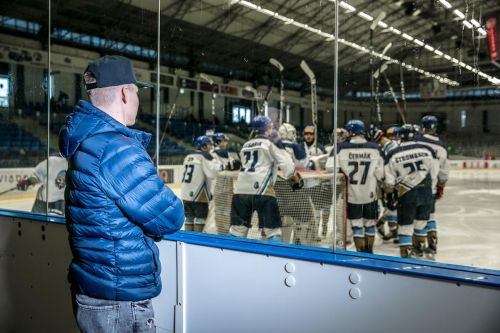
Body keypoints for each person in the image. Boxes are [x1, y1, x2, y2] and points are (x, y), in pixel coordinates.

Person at [59, 55, 184, 332]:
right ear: (126, 93)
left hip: (98, 288)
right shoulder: (116, 149)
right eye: (137, 91)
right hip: (118, 298)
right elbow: (171, 217)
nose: (138, 99)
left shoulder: (89, 140)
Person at [229, 116, 302, 242]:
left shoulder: (246, 145)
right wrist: (295, 180)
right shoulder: (271, 143)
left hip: (240, 191)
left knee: (236, 233)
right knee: (273, 232)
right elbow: (288, 166)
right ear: (268, 129)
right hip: (263, 192)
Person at [326, 120, 385, 253]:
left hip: (352, 194)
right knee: (370, 225)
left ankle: (360, 252)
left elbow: (330, 168)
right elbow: (381, 174)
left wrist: (343, 170)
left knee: (357, 226)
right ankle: (369, 252)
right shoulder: (375, 148)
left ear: (351, 132)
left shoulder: (340, 147)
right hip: (370, 193)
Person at [384, 124, 438, 258]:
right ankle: (419, 251)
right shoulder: (427, 149)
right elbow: (434, 173)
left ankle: (406, 257)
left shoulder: (393, 154)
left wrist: (390, 197)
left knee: (405, 227)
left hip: (407, 194)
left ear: (399, 136)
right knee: (421, 224)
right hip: (426, 191)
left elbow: (389, 181)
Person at [416, 115, 449, 258]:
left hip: (415, 185)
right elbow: (444, 172)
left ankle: (418, 246)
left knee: (418, 218)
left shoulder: (416, 141)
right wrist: (440, 187)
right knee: (430, 216)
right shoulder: (442, 147)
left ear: (423, 126)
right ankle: (432, 244)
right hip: (432, 187)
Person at [181, 135, 223, 232]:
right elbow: (212, 172)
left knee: (189, 219)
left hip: (185, 194)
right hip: (199, 194)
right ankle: (196, 244)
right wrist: (224, 166)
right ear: (203, 146)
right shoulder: (205, 156)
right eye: (209, 144)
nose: (211, 147)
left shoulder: (188, 156)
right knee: (201, 219)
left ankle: (189, 242)